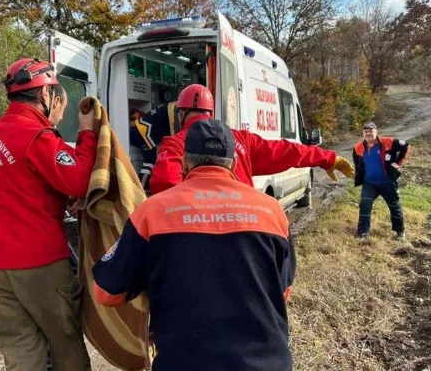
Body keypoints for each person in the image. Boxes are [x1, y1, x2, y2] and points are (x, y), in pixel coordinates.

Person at [93, 118, 297, 371]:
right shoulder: (272, 211)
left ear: (185, 163)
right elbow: (283, 291)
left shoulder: (151, 213)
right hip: (268, 364)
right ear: (233, 163)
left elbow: (106, 292)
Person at [0, 58, 94, 371]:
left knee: (21, 353)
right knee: (66, 345)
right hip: (37, 262)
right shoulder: (37, 135)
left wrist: (59, 197)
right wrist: (86, 134)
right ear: (45, 94)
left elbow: (20, 186)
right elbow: (80, 177)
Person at [149, 84, 355, 195]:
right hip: (242, 230)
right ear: (211, 112)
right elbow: (286, 150)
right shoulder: (240, 139)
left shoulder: (175, 144)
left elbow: (165, 186)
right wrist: (327, 158)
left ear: (180, 114)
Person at [352, 122, 410, 242]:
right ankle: (363, 233)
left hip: (387, 182)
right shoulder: (358, 147)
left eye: (370, 131)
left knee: (394, 206)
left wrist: (398, 163)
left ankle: (400, 231)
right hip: (369, 183)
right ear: (363, 133)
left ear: (376, 132)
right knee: (365, 206)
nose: (368, 133)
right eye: (366, 131)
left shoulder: (387, 142)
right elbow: (357, 163)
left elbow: (406, 146)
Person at [129, 102, 178, 196]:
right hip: (143, 132)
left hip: (139, 130)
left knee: (150, 161)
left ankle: (143, 188)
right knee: (149, 162)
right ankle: (141, 189)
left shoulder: (171, 106)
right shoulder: (176, 110)